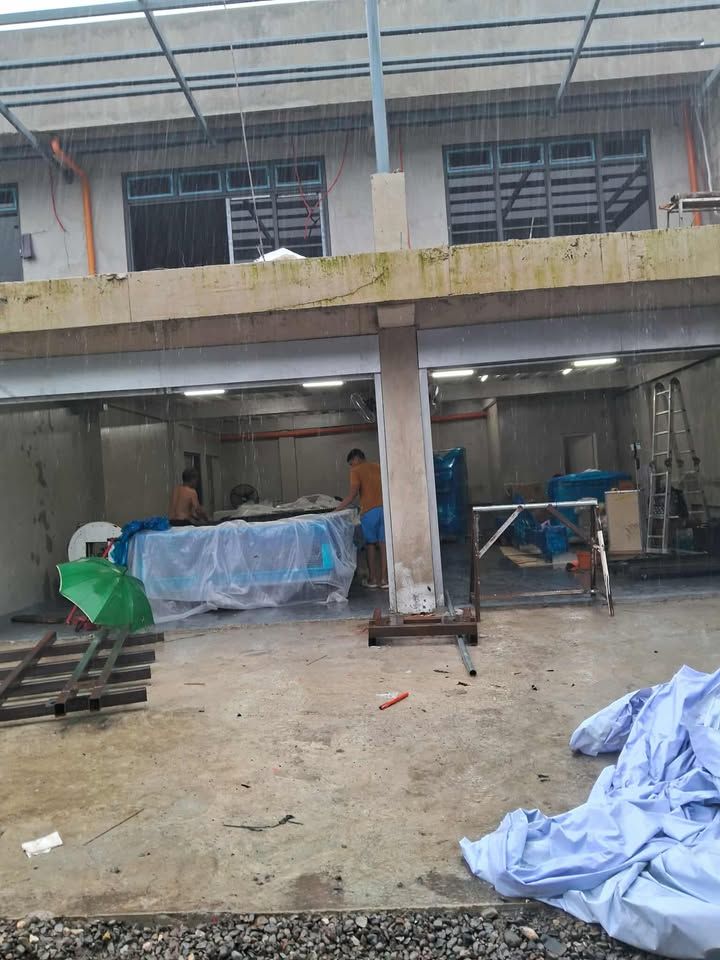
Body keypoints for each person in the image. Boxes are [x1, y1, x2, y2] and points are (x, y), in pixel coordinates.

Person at [335, 448, 387, 589]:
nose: (351, 467)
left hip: (369, 511)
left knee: (370, 545)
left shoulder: (356, 471)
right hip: (385, 510)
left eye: (351, 463)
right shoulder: (378, 467)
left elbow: (352, 495)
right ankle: (384, 580)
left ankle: (372, 579)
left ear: (356, 459)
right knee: (383, 544)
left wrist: (336, 509)